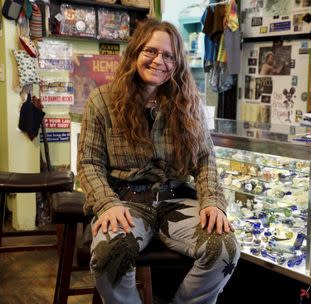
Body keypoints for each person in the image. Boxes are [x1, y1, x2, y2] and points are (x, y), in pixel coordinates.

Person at [77, 18, 239, 304]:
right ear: (135, 52)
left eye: (168, 55)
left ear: (177, 63)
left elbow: (204, 159)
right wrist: (106, 204)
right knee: (108, 254)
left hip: (177, 199)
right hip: (125, 202)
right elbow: (89, 163)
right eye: (150, 51)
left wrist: (213, 200)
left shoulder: (189, 102)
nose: (158, 61)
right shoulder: (101, 100)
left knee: (223, 248)